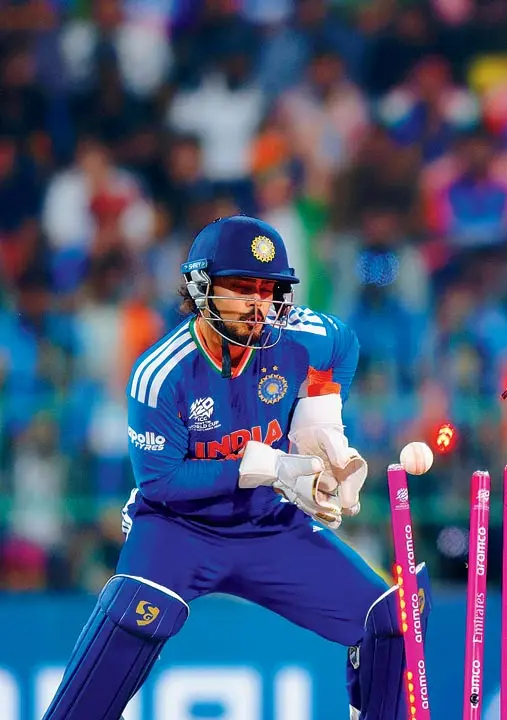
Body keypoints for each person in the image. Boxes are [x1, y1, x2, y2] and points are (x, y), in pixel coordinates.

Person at [42, 216, 429, 720]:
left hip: (267, 524)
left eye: (270, 290)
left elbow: (342, 343)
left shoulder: (297, 334)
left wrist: (321, 421)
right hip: (179, 527)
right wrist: (272, 466)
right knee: (135, 617)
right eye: (242, 289)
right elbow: (160, 483)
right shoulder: (161, 373)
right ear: (201, 289)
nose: (260, 306)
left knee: (394, 619)